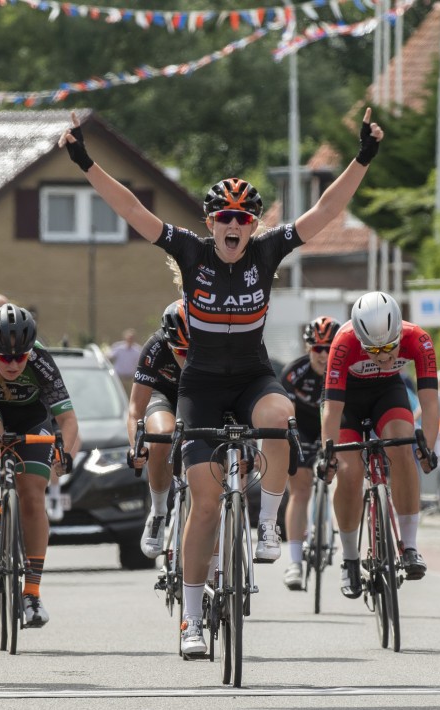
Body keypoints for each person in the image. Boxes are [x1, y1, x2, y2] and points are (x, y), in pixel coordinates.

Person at [59, 106, 384, 658]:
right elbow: (133, 209)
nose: (233, 227)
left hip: (253, 377)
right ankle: (190, 622)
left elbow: (327, 209)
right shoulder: (189, 252)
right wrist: (86, 162)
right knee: (206, 503)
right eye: (224, 219)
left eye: (243, 219)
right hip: (203, 385)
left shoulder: (266, 251)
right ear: (210, 224)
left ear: (253, 225)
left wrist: (362, 159)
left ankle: (267, 526)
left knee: (280, 420)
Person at [0, 303, 80, 627]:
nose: (13, 364)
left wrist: (64, 453)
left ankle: (31, 593)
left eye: (20, 357)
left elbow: (68, 421)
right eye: (4, 358)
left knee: (32, 496)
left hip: (32, 418)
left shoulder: (41, 360)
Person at [319, 291, 439, 598]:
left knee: (403, 448)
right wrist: (328, 455)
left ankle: (410, 546)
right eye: (374, 350)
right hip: (348, 401)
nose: (384, 357)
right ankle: (349, 559)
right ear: (359, 339)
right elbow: (332, 410)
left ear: (400, 332)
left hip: (388, 393)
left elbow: (429, 402)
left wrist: (428, 448)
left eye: (390, 347)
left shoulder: (418, 339)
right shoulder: (343, 341)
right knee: (347, 472)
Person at [279, 316, 341, 590]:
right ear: (308, 348)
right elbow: (284, 415)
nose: (324, 354)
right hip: (302, 429)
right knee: (300, 490)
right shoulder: (294, 374)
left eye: (330, 348)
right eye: (317, 348)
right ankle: (294, 562)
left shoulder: (345, 371)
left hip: (334, 427)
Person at [130, 300, 189, 558]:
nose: (185, 358)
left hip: (199, 396)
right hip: (162, 395)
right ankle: (158, 512)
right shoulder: (155, 347)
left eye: (193, 352)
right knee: (163, 436)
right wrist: (137, 445)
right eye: (180, 350)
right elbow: (134, 409)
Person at [108, 328, 143, 393]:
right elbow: (109, 357)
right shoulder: (118, 348)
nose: (130, 339)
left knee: (129, 396)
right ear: (125, 337)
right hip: (119, 378)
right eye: (129, 337)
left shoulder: (137, 350)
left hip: (130, 378)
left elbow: (140, 363)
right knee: (117, 394)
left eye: (132, 338)